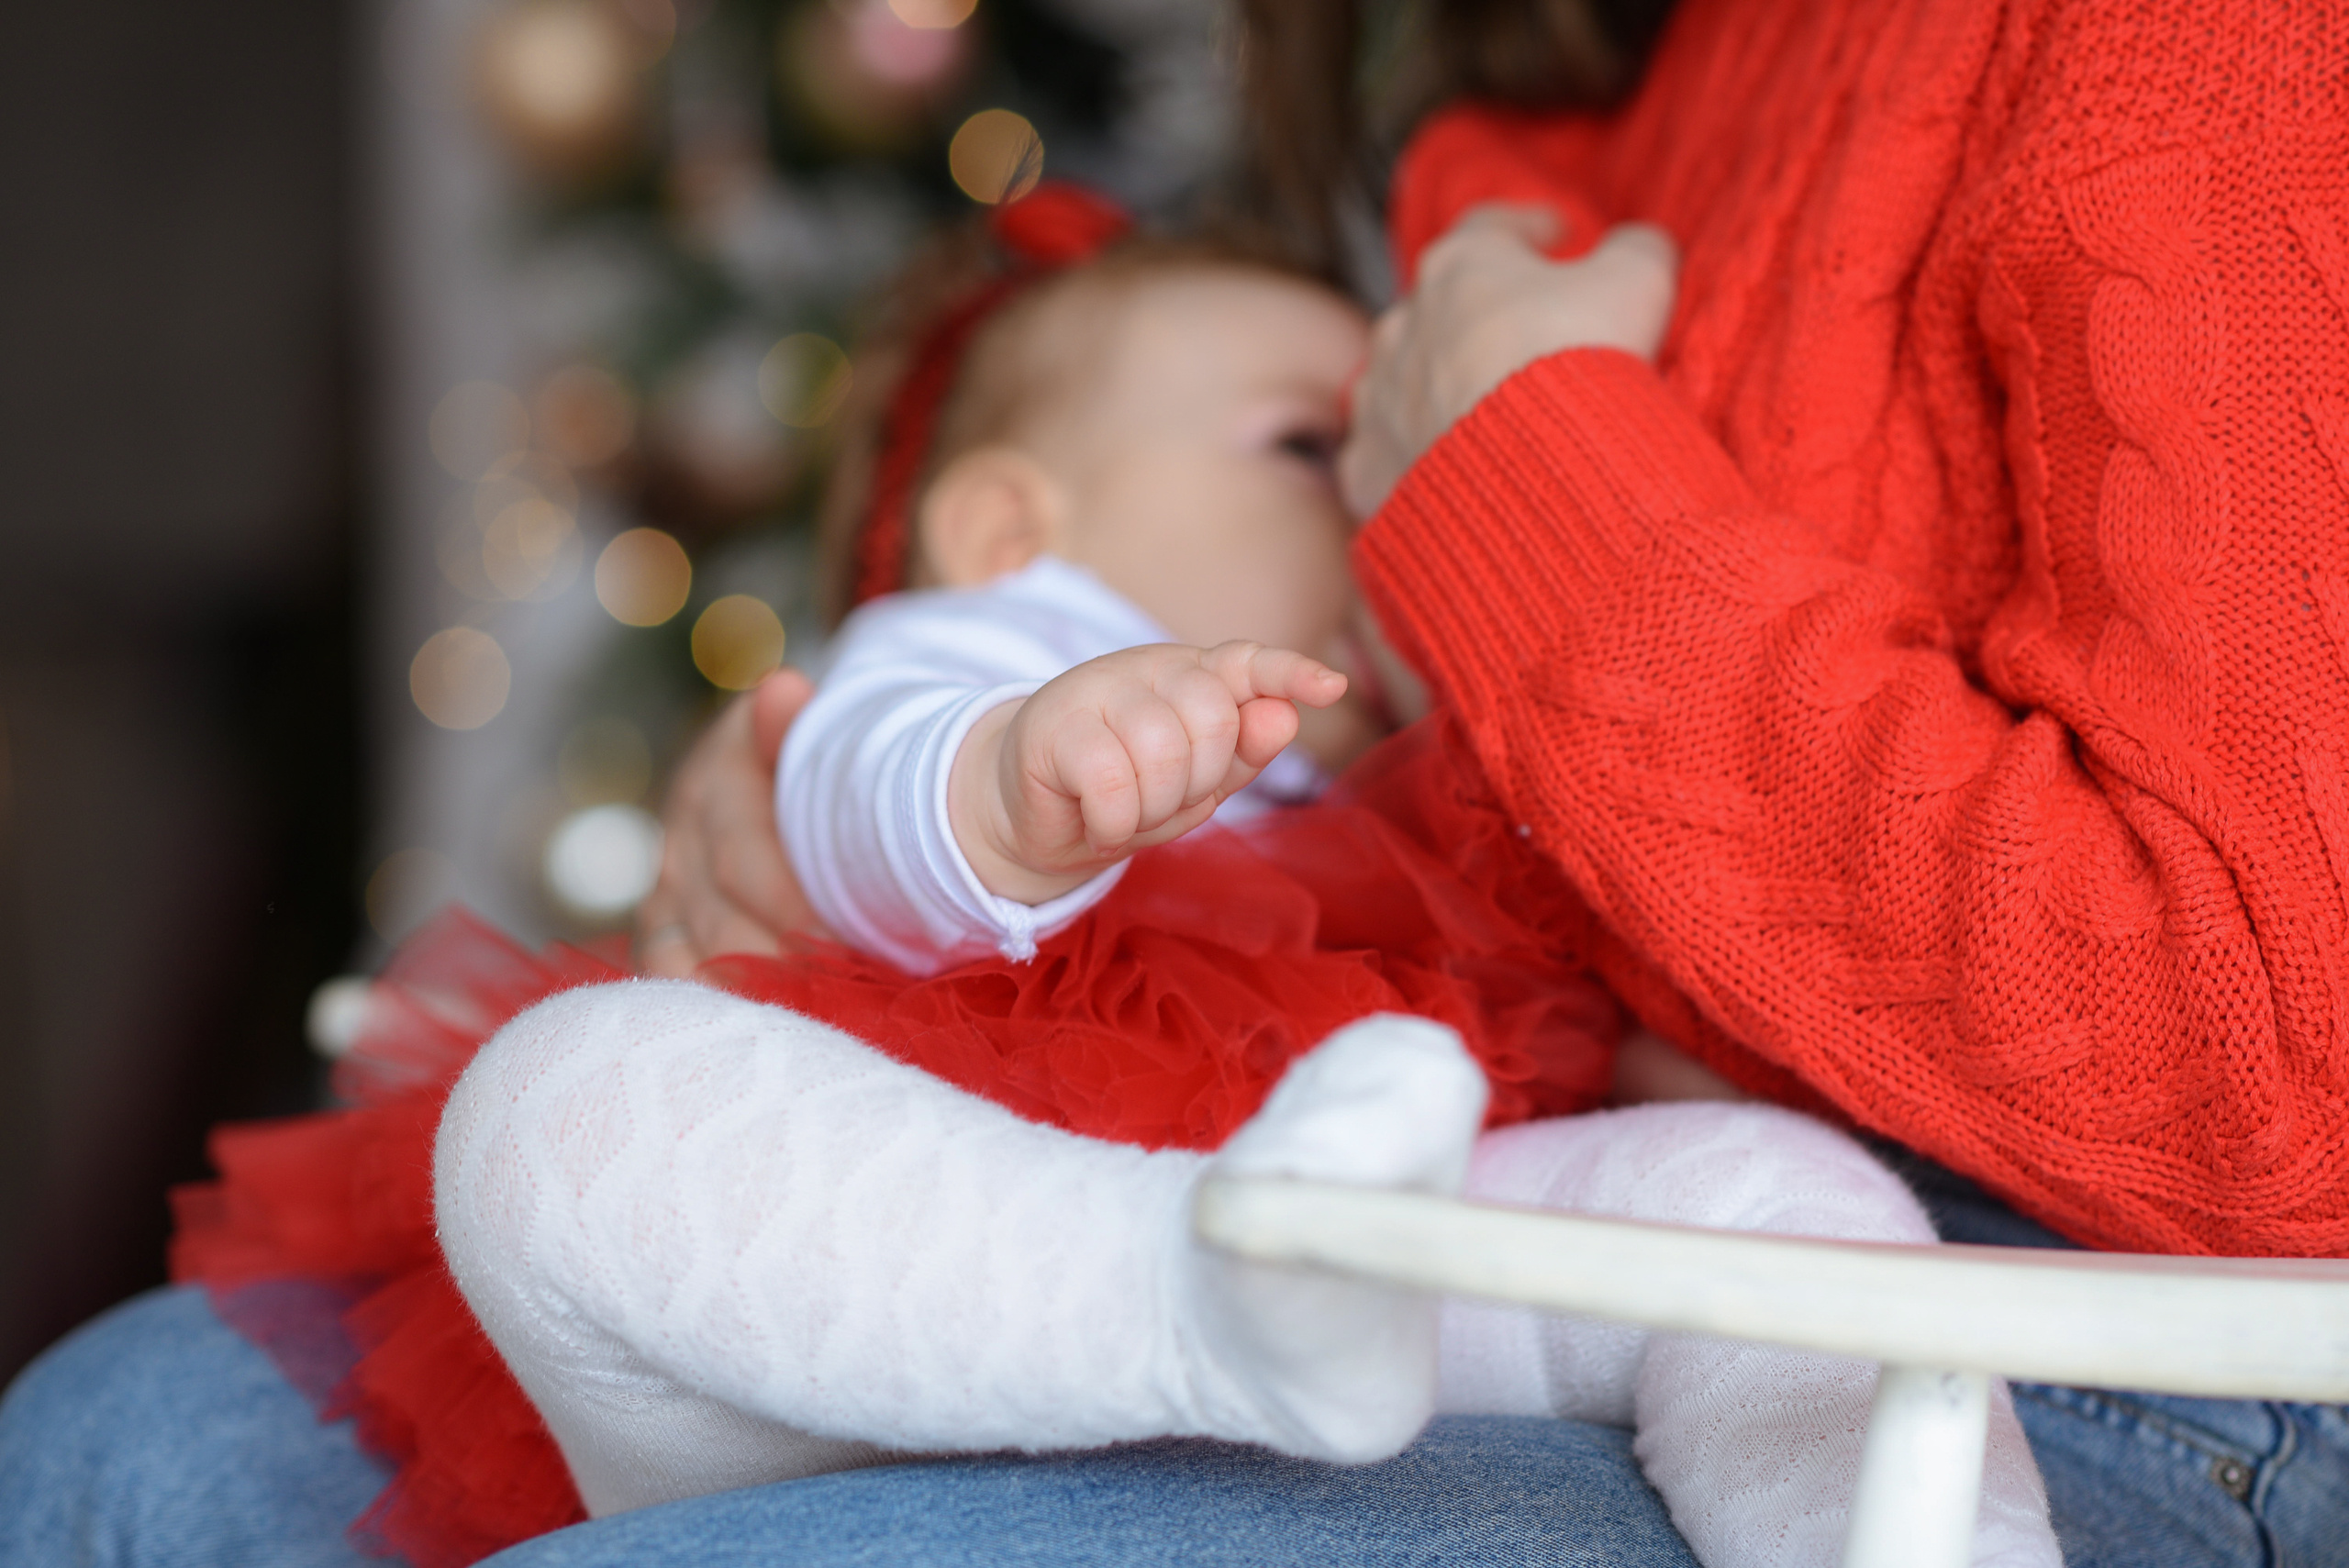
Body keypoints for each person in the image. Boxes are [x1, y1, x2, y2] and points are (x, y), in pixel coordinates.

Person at [7, 0, 2346, 1563]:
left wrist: (1534, 474)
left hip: (2070, 1310)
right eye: (1307, 451)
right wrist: (908, 792)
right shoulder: (1560, 121)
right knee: (123, 1443)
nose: (1368, 510)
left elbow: (2259, 1076)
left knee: (1741, 1201)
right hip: (1275, 1201)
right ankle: (1172, 1313)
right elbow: (965, 753)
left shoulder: (2174, 59)